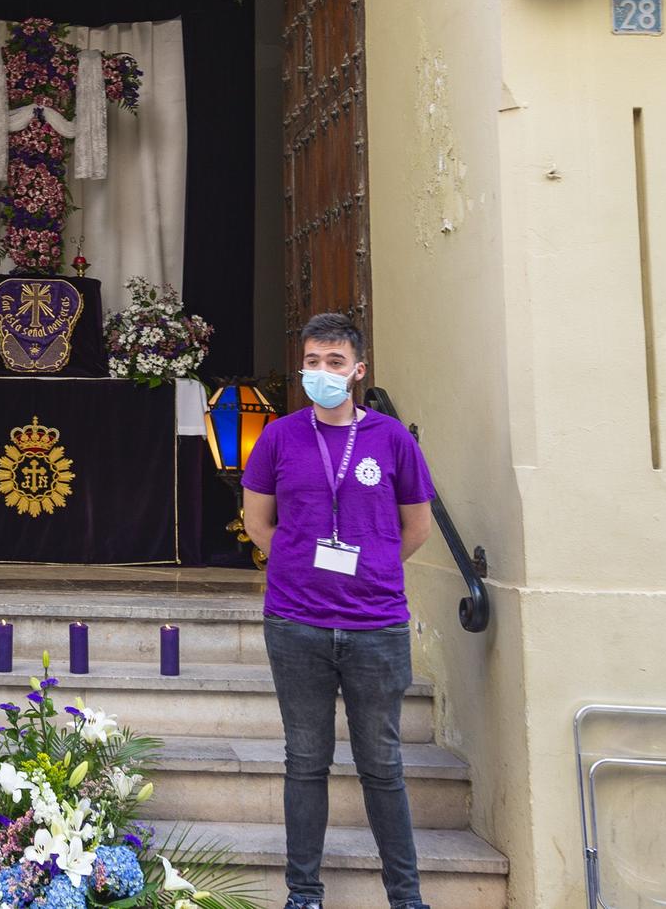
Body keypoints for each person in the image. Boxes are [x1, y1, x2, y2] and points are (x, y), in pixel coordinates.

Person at [242, 312, 436, 909]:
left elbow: (417, 527)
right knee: (305, 761)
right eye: (312, 361)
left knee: (382, 764)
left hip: (376, 626)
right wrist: (298, 563)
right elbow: (257, 520)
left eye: (334, 362)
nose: (322, 372)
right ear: (301, 366)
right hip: (296, 623)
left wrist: (372, 565)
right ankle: (304, 893)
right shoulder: (278, 436)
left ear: (358, 371)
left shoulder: (391, 438)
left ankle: (405, 897)